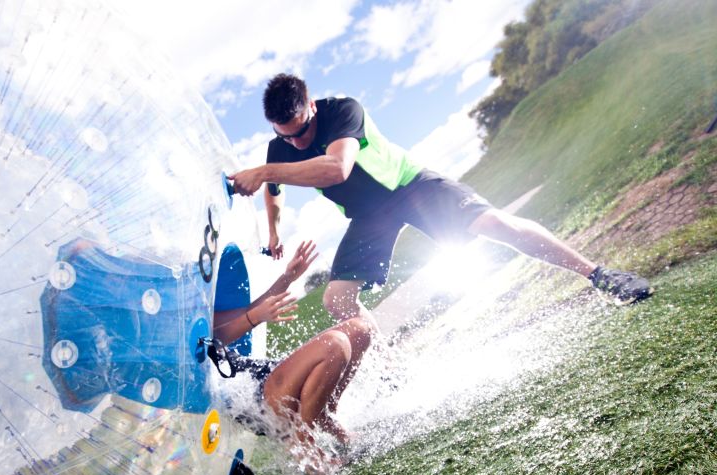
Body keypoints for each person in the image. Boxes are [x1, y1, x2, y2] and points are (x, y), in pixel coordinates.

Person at [228, 73, 653, 325]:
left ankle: (598, 274)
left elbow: (335, 168)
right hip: (368, 215)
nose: (296, 142)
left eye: (301, 131)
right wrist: (274, 230)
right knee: (335, 300)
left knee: (494, 225)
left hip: (410, 187)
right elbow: (275, 192)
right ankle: (390, 367)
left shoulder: (342, 110)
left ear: (311, 108)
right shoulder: (280, 148)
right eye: (286, 136)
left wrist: (265, 170)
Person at [211, 240, 373, 472]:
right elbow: (217, 335)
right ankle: (302, 443)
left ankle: (325, 416)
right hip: (253, 396)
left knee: (360, 330)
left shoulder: (199, 298)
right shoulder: (174, 322)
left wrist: (289, 276)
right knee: (335, 345)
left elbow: (249, 310)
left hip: (266, 374)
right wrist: (255, 318)